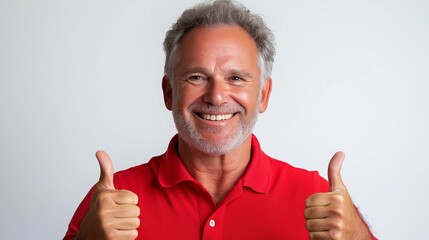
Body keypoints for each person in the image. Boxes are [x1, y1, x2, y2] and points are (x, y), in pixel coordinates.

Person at [64, 0, 377, 239]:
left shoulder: (317, 196)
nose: (216, 96)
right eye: (197, 77)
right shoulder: (113, 199)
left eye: (237, 78)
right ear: (169, 92)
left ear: (264, 95)